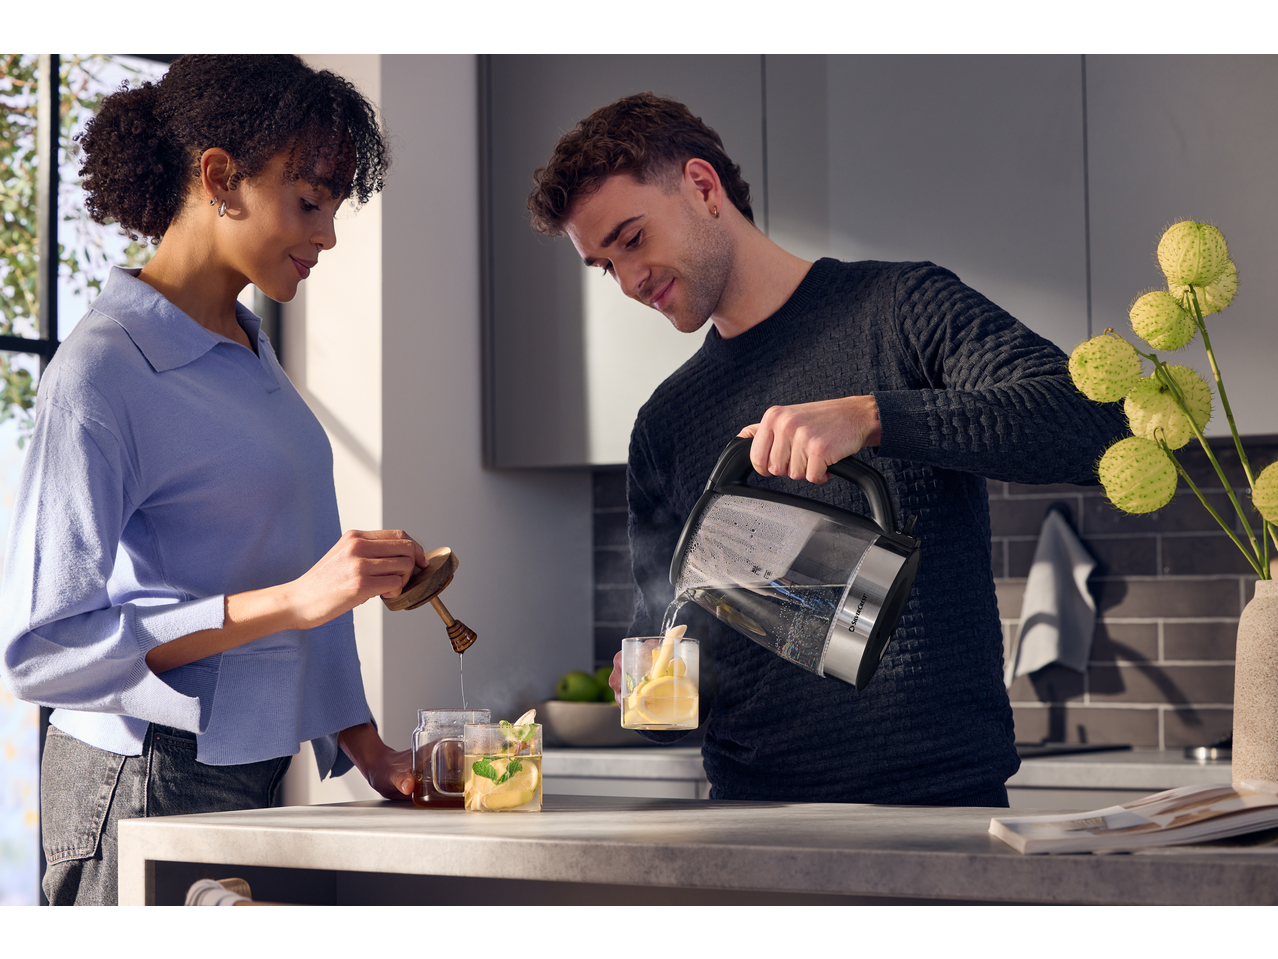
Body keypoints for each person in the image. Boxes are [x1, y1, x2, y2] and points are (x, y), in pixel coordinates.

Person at [527, 93, 1127, 806]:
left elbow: (1093, 426)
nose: (628, 282)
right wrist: (648, 689)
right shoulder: (665, 423)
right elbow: (661, 640)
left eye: (631, 239)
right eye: (604, 265)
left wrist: (874, 417)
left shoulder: (901, 306)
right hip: (749, 824)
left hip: (940, 813)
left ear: (702, 187)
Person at [0, 55, 422, 906]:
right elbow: (41, 648)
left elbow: (289, 556)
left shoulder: (248, 348)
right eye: (309, 201)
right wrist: (295, 601)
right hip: (141, 780)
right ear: (220, 178)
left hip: (255, 773)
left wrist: (364, 743)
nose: (328, 235)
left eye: (335, 206)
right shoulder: (102, 371)